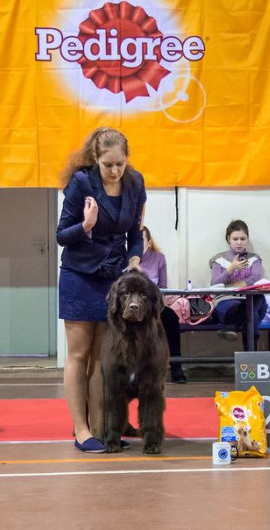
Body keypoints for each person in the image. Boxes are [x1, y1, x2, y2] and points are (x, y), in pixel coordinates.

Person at [56, 127, 146, 453]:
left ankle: (100, 428)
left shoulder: (135, 185)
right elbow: (62, 235)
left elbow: (134, 232)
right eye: (108, 164)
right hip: (79, 276)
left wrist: (135, 258)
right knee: (79, 355)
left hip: (114, 280)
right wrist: (86, 226)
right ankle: (81, 430)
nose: (114, 170)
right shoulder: (82, 183)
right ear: (96, 158)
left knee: (102, 357)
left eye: (120, 164)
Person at [208, 219, 267, 348]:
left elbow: (256, 277)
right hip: (226, 301)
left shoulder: (254, 258)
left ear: (247, 239)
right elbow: (214, 283)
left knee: (258, 298)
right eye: (235, 239)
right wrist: (231, 268)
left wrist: (241, 284)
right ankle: (251, 359)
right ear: (228, 239)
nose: (239, 243)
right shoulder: (218, 259)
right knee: (252, 316)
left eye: (242, 238)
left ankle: (231, 327)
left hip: (250, 299)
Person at [139, 226, 187, 384]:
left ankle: (176, 367)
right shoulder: (125, 260)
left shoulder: (159, 258)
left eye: (141, 240)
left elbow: (164, 287)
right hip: (133, 309)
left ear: (149, 242)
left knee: (171, 318)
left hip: (153, 306)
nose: (138, 244)